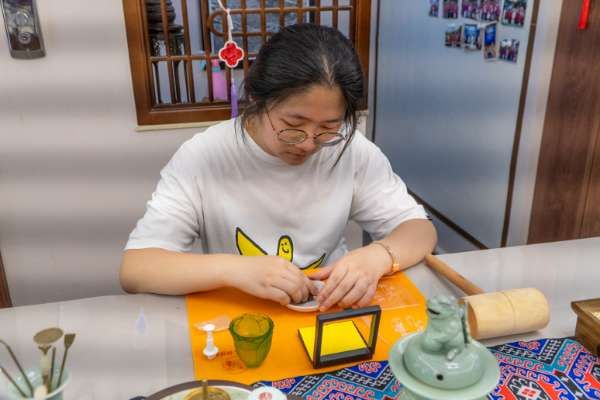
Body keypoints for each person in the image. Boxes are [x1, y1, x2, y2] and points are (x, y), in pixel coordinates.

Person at [120, 23, 437, 311]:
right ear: (258, 99)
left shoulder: (352, 151)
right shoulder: (204, 156)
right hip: (243, 316)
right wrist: (235, 269)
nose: (308, 143)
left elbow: (420, 230)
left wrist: (378, 256)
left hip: (330, 308)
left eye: (328, 128)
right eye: (293, 125)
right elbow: (137, 268)